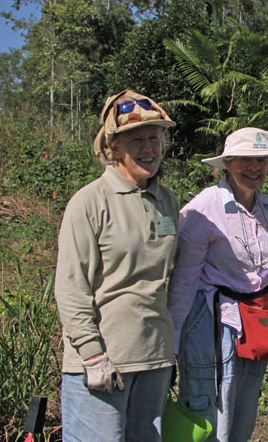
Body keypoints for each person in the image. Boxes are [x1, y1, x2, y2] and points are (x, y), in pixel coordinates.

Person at [55, 90, 179, 442]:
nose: (147, 148)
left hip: (154, 359)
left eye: (154, 138)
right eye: (136, 139)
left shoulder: (166, 200)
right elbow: (70, 287)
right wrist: (92, 355)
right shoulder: (89, 202)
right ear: (114, 148)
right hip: (104, 360)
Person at [168, 128, 268, 442]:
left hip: (255, 323)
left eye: (261, 161)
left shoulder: (267, 207)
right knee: (208, 408)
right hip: (211, 322)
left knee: (243, 406)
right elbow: (184, 280)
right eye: (244, 160)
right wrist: (170, 343)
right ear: (227, 163)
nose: (254, 168)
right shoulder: (205, 207)